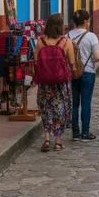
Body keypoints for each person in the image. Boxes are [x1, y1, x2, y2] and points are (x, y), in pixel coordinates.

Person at [35, 14, 75, 152]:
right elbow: (72, 63)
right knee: (59, 110)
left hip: (45, 83)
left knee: (46, 109)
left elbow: (36, 61)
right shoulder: (66, 42)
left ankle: (46, 138)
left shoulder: (40, 41)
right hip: (61, 83)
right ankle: (58, 142)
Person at [68, 10, 99, 141]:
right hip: (87, 72)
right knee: (86, 103)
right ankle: (85, 133)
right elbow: (98, 56)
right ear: (86, 22)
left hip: (72, 72)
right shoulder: (91, 36)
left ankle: (75, 133)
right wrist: (93, 60)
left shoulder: (67, 36)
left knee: (75, 103)